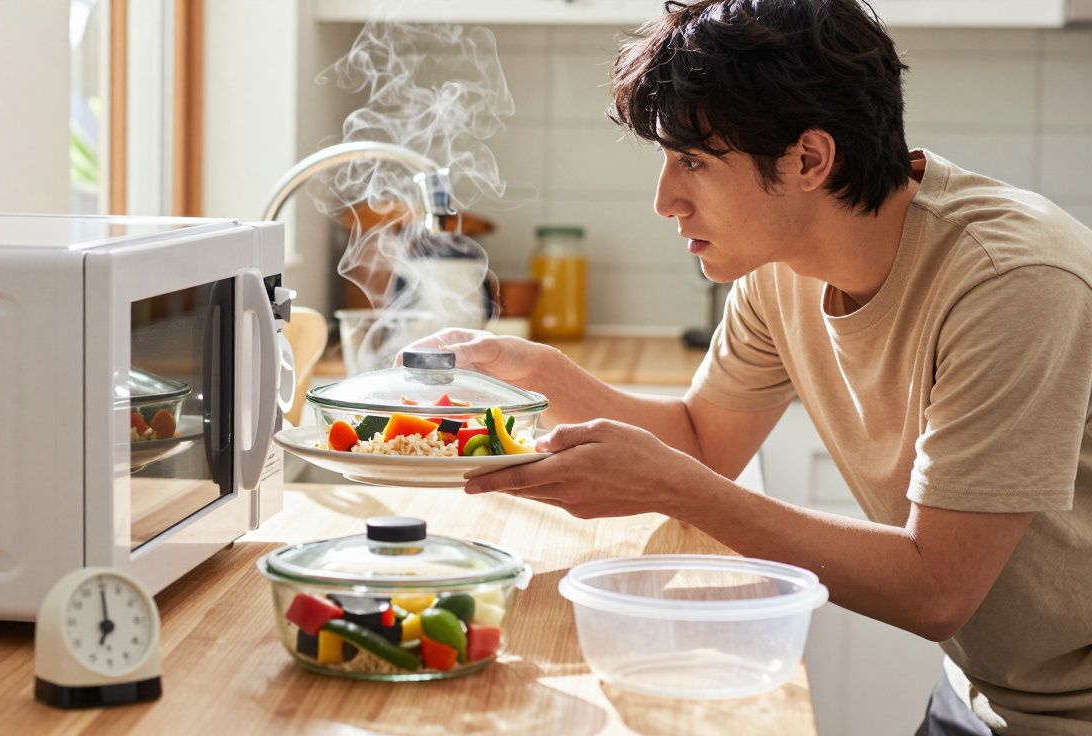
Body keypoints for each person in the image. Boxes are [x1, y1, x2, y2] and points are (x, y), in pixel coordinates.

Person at [401, 1, 1092, 733]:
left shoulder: (1011, 281)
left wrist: (680, 489)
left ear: (808, 160)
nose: (665, 200)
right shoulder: (781, 264)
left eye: (693, 162)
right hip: (980, 693)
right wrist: (545, 376)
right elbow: (704, 441)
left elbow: (935, 591)